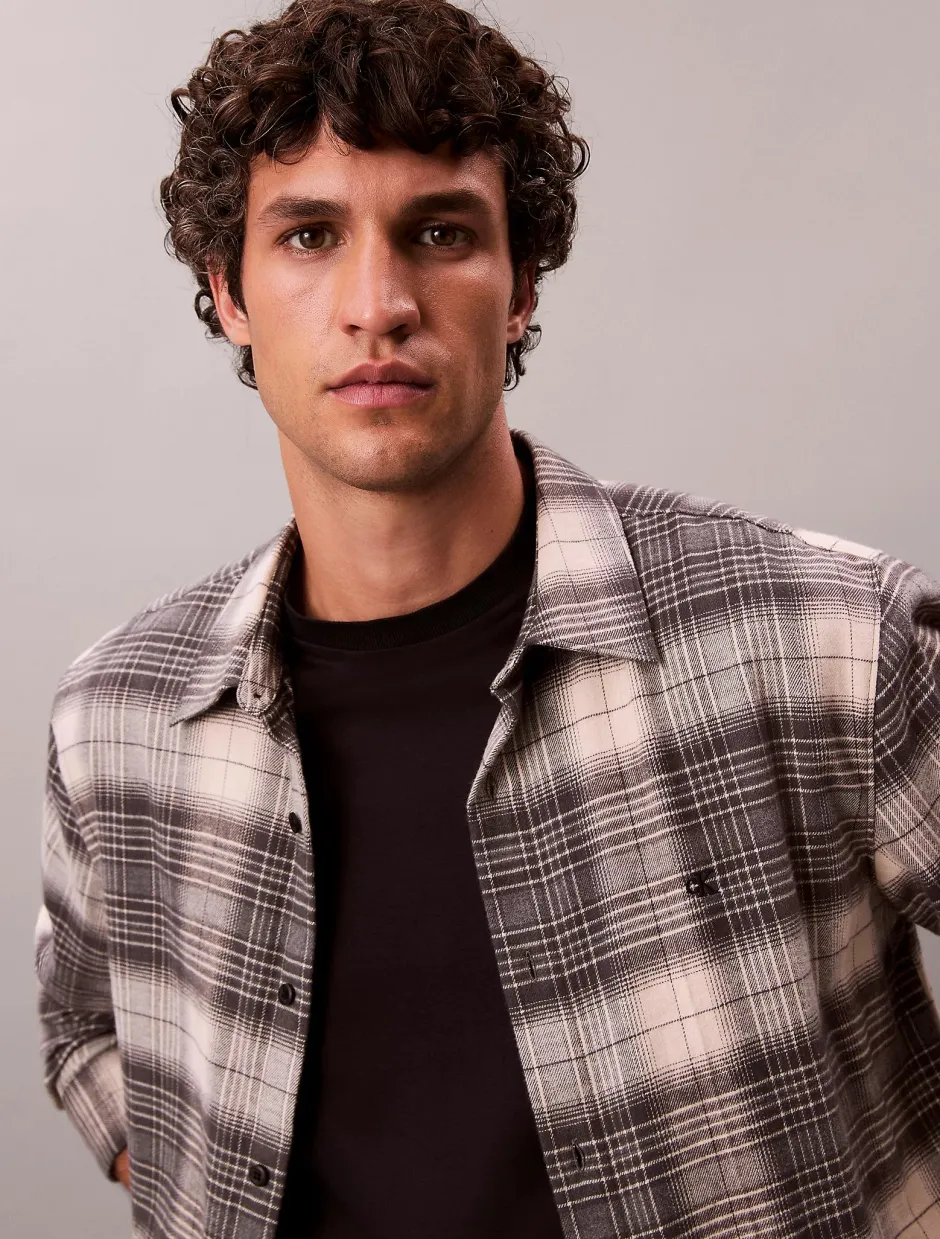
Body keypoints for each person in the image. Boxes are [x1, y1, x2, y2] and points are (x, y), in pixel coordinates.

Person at [33, 0, 940, 1236]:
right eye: (309, 235)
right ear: (228, 292)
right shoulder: (120, 717)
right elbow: (86, 1029)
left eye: (439, 233)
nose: (377, 303)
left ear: (519, 286)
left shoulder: (823, 638)